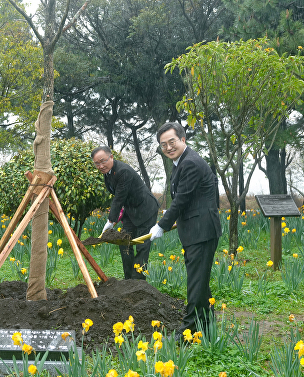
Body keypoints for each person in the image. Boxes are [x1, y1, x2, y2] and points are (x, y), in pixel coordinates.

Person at [149, 122, 222, 340]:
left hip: (201, 232)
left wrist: (162, 224)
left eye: (172, 142)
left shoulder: (190, 163)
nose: (168, 147)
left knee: (196, 283)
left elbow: (181, 199)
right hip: (197, 230)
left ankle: (188, 331)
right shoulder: (182, 162)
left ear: (183, 139)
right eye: (163, 145)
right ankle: (206, 328)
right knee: (199, 281)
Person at [91, 146, 160, 280]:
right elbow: (119, 196)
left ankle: (138, 282)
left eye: (103, 161)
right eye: (97, 163)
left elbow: (119, 198)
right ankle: (128, 280)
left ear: (111, 157)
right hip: (131, 210)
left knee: (142, 245)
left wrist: (111, 221)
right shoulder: (108, 173)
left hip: (146, 209)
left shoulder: (123, 171)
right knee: (124, 242)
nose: (100, 166)